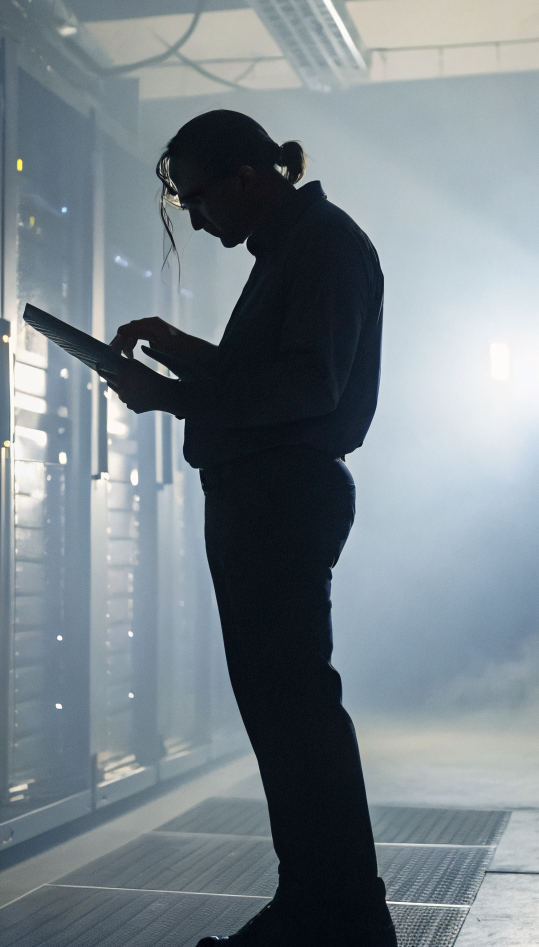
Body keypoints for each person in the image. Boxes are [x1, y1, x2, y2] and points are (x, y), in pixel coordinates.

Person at [101, 110, 391, 947]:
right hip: (270, 497)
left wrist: (174, 395)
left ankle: (339, 919)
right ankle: (320, 909)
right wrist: (182, 350)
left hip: (281, 499)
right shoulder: (299, 246)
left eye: (196, 197)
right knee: (288, 716)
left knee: (295, 716)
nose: (193, 217)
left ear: (246, 177)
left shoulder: (325, 245)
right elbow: (276, 376)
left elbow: (309, 390)